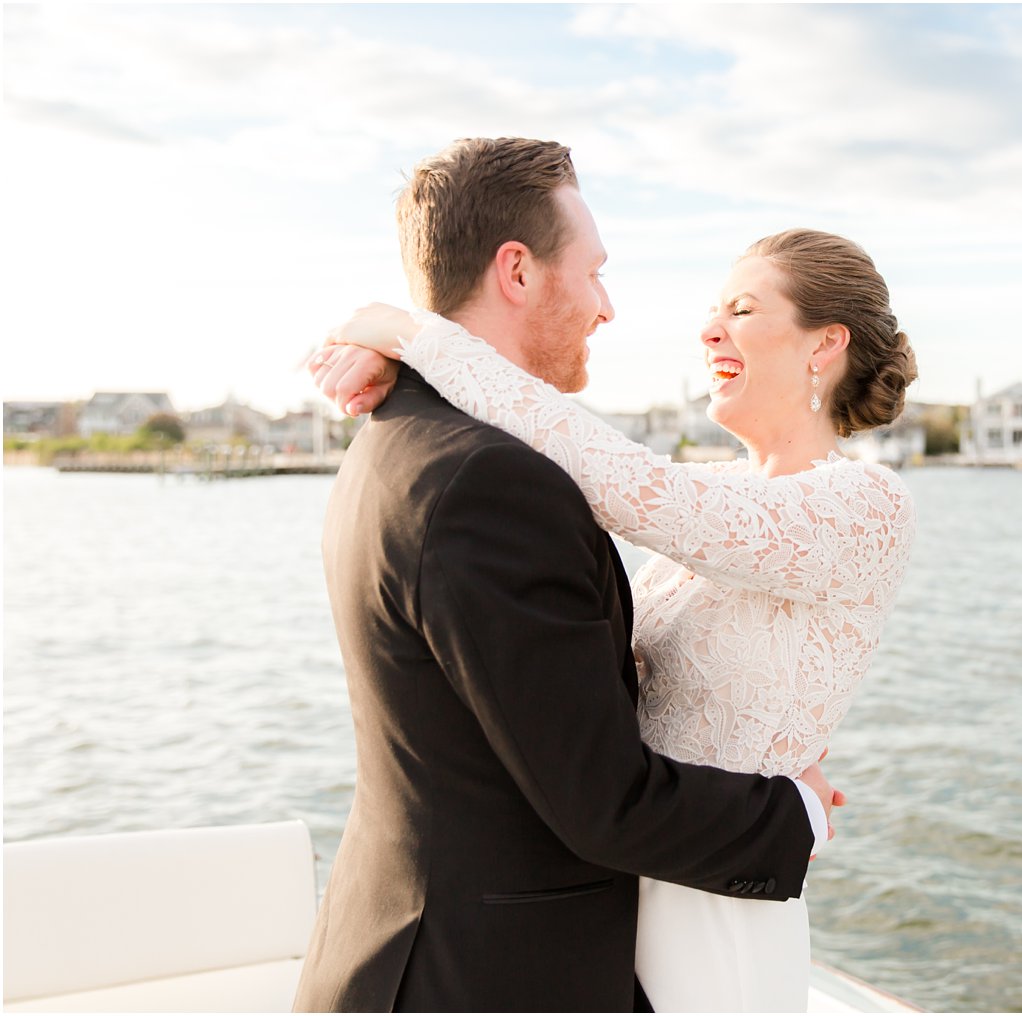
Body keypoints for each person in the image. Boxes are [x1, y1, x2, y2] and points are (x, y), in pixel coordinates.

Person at [291, 137, 841, 1014]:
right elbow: (601, 800)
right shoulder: (493, 482)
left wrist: (397, 337)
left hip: (419, 950)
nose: (607, 307)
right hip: (479, 981)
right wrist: (794, 815)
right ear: (517, 272)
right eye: (592, 273)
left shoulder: (395, 438)